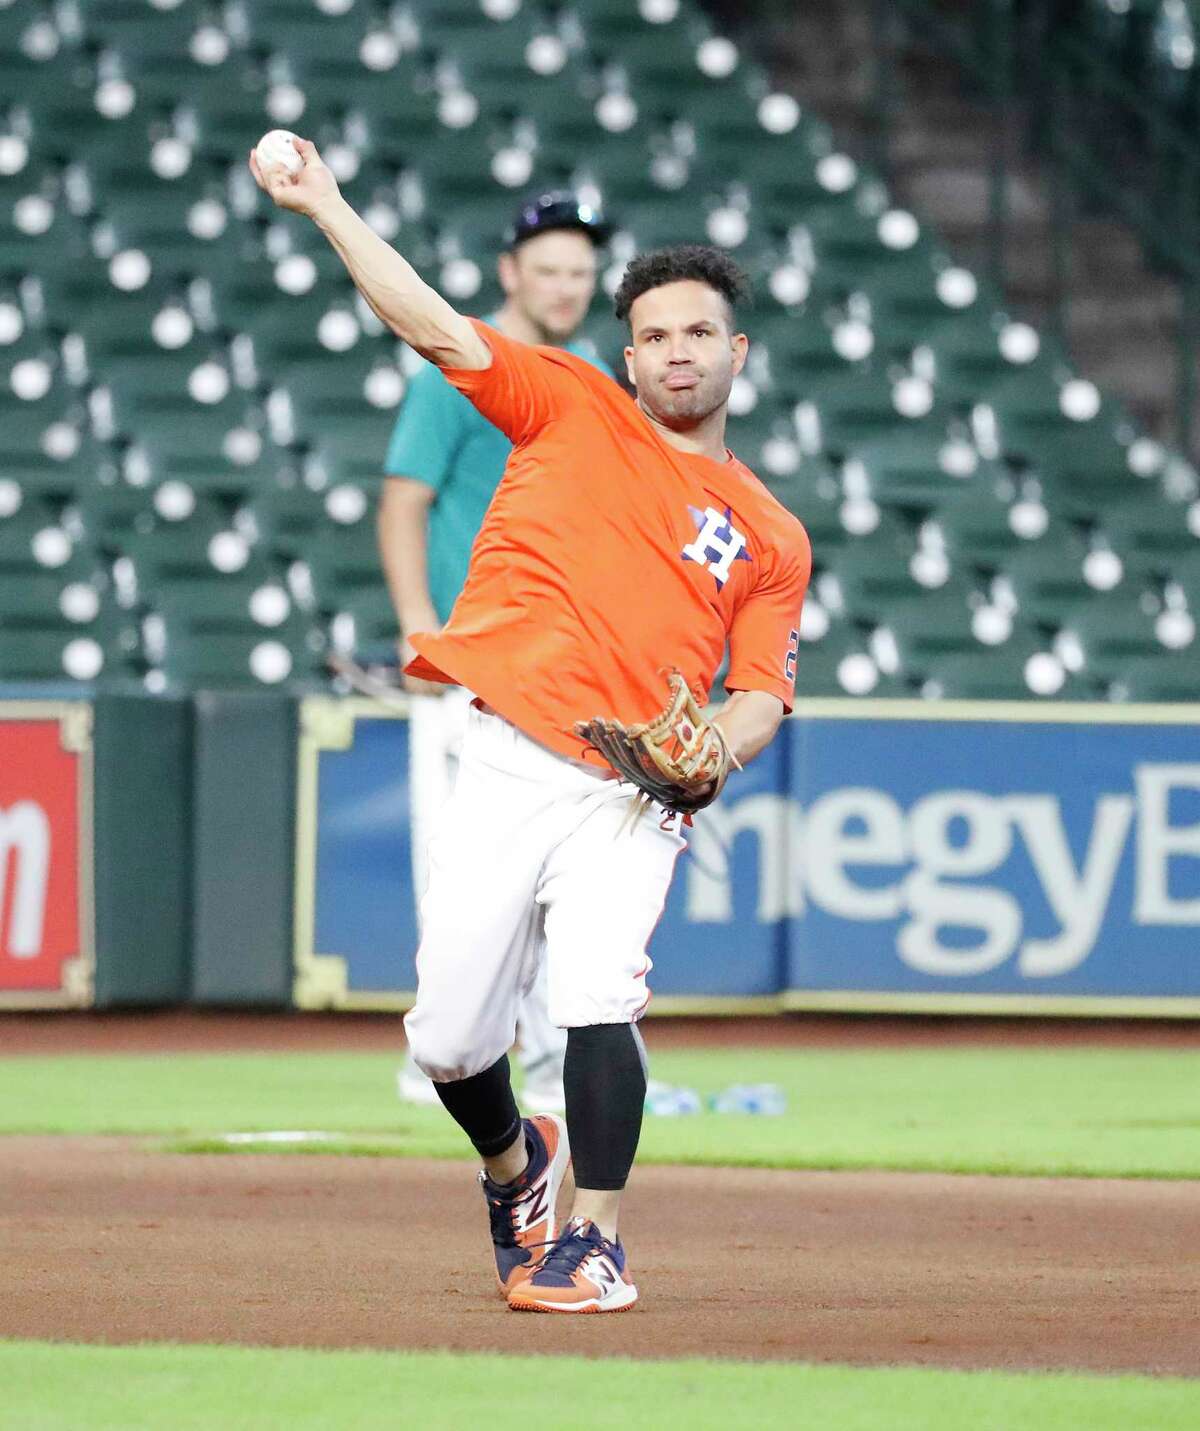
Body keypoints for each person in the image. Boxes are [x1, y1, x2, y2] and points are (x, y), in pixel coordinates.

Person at [250, 138, 811, 1315]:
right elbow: (432, 322)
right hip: (502, 753)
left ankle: (596, 1242)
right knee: (449, 1040)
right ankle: (519, 1170)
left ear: (736, 352)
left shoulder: (771, 535)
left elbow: (759, 689)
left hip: (628, 788)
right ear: (628, 353)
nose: (677, 351)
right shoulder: (565, 403)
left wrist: (716, 745)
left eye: (698, 331)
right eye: (655, 334)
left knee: (598, 993)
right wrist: (329, 207)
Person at [377, 191, 614, 1114]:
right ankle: (443, 1057)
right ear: (511, 271)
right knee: (461, 873)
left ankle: (551, 1060)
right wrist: (414, 623)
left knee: (562, 878)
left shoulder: (591, 368)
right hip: (471, 659)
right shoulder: (460, 367)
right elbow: (404, 500)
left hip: (559, 669)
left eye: (581, 272)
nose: (565, 286)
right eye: (548, 269)